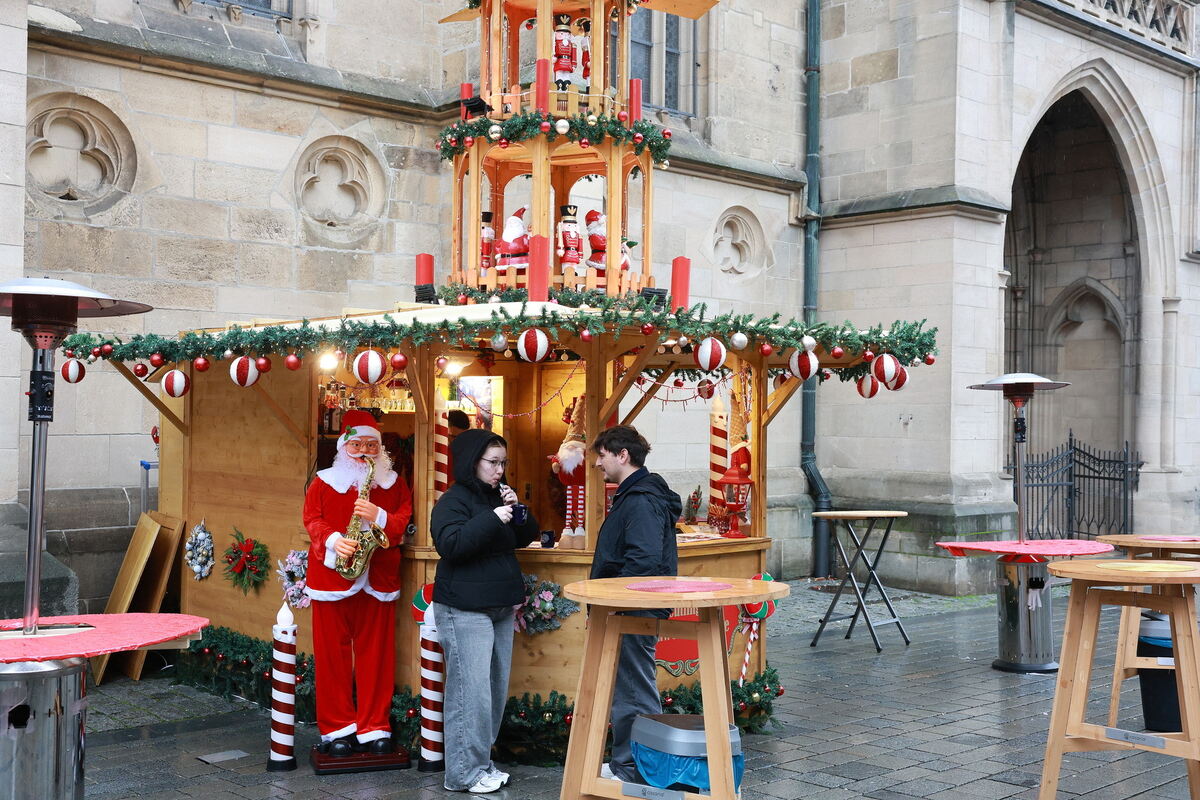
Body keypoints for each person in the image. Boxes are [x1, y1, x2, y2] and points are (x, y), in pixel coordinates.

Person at [431, 429, 540, 793]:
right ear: (471, 462)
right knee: (470, 692)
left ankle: (481, 763)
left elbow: (524, 538)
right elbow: (451, 544)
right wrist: (494, 517)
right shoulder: (453, 500)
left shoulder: (499, 496)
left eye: (503, 463)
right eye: (492, 462)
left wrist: (520, 513)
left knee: (492, 690)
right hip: (463, 608)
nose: (499, 470)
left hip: (499, 605)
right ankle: (463, 773)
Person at [303, 409, 412, 757]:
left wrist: (378, 516)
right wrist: (335, 541)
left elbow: (403, 518)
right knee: (331, 655)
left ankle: (374, 726)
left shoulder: (394, 482)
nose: (365, 452)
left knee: (376, 655)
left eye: (371, 445)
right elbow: (311, 519)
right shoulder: (324, 481)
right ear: (343, 447)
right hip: (332, 575)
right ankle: (336, 727)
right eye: (357, 445)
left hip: (378, 576)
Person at [589, 425, 682, 783]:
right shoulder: (636, 494)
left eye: (602, 455)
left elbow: (642, 560)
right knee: (630, 686)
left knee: (634, 690)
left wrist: (616, 603)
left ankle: (634, 767)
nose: (598, 463)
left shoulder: (640, 499)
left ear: (622, 455)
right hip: (631, 608)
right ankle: (631, 763)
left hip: (634, 609)